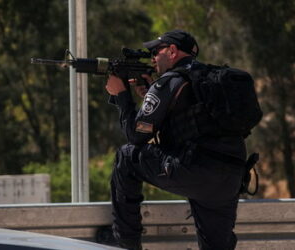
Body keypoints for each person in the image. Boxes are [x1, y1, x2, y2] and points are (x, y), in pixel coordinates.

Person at [105, 30, 246, 250]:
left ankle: (125, 243)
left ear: (172, 51)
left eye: (155, 51)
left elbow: (136, 134)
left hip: (194, 170)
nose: (152, 58)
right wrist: (151, 94)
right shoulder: (208, 79)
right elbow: (192, 122)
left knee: (127, 156)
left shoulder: (170, 81)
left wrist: (121, 95)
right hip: (230, 176)